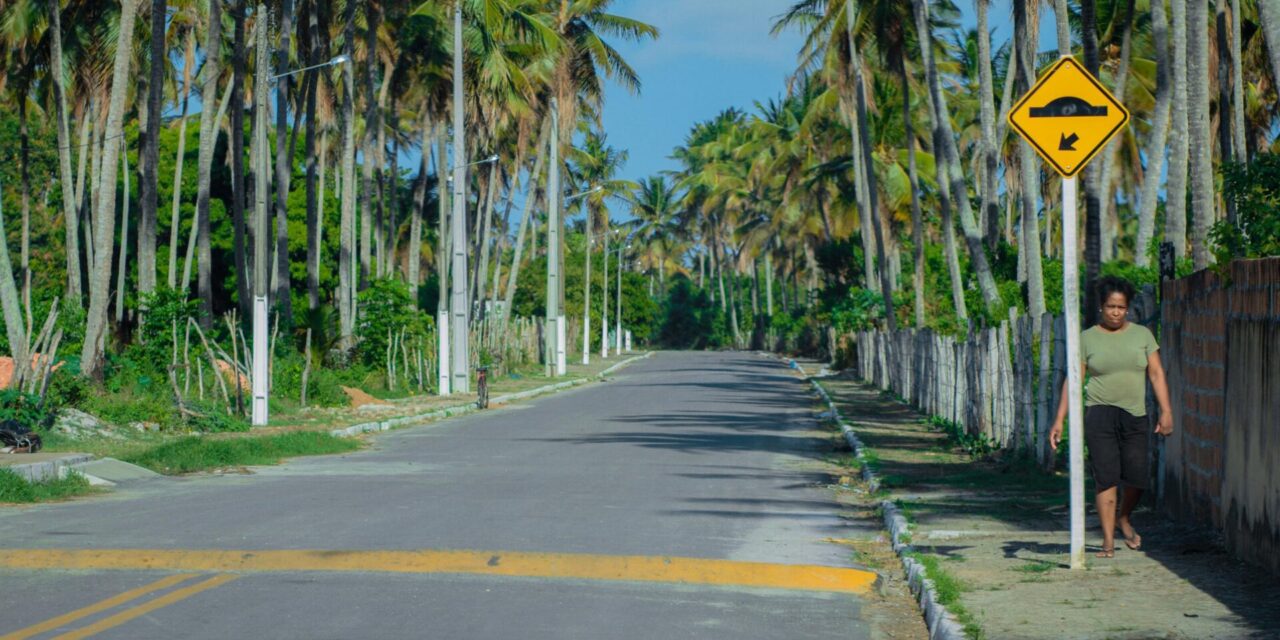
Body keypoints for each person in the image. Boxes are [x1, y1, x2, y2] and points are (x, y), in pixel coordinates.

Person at [1049, 276, 1174, 558]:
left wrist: (1166, 410)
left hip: (1135, 415)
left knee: (1138, 477)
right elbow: (1074, 379)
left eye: (1121, 307)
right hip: (1100, 414)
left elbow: (1156, 373)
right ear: (1101, 307)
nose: (1116, 312)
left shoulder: (1142, 335)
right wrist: (1059, 420)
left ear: (1128, 308)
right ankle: (1107, 541)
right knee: (1106, 477)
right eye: (1110, 306)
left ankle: (1124, 518)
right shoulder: (1087, 338)